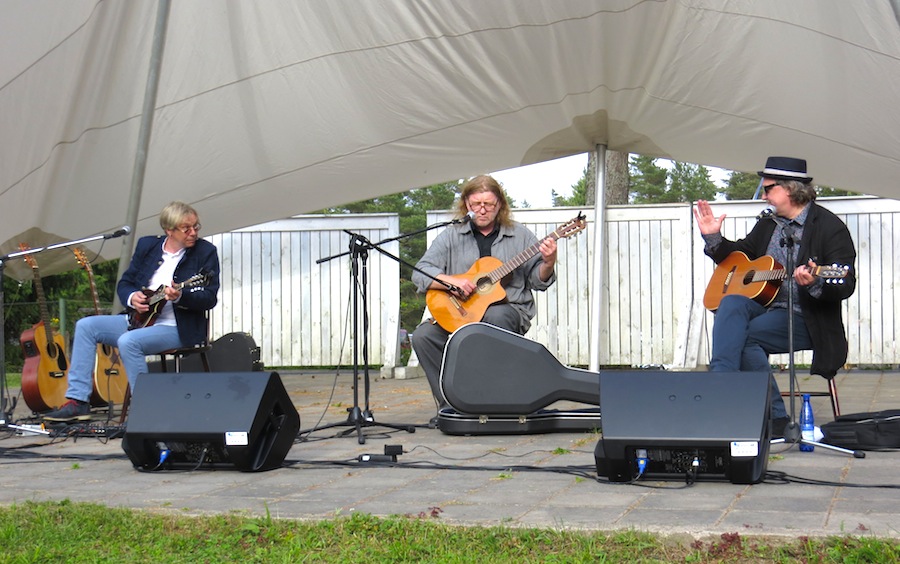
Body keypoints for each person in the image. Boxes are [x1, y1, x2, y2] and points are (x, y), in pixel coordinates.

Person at [693, 156, 856, 436]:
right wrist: (713, 238)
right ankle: (726, 389)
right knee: (731, 302)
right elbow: (739, 259)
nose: (764, 194)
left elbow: (845, 283)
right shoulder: (770, 224)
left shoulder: (829, 228)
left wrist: (813, 283)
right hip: (767, 310)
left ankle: (763, 413)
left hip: (807, 318)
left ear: (790, 189)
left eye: (768, 188)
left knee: (743, 338)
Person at [43, 201, 220, 421]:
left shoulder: (205, 252)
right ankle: (78, 402)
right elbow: (125, 283)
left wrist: (182, 296)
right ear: (169, 230)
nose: (193, 232)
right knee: (86, 326)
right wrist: (132, 297)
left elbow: (209, 298)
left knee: (129, 341)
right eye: (187, 228)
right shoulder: (147, 246)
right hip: (139, 320)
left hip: (177, 327)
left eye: (196, 226)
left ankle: (147, 410)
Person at [411, 175, 558, 426]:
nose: (482, 209)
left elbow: (537, 280)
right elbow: (420, 273)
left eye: (488, 204)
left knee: (493, 318)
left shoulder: (520, 235)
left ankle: (494, 402)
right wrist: (451, 282)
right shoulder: (451, 236)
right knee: (423, 336)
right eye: (476, 203)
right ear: (466, 203)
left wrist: (548, 262)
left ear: (499, 204)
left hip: (508, 310)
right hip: (461, 313)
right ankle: (451, 405)